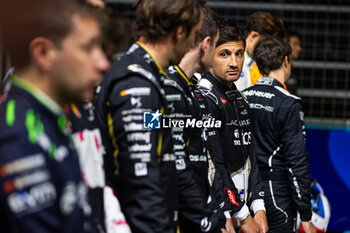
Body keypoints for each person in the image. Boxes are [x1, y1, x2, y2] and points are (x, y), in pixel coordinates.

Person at [94, 0, 204, 232]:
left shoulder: (149, 74)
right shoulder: (137, 82)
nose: (193, 46)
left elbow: (155, 144)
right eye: (194, 36)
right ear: (180, 31)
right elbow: (140, 175)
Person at [0, 0, 109, 232]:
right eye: (88, 48)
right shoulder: (18, 135)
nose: (102, 63)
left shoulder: (49, 116)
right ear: (44, 53)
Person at [197, 21, 267, 233]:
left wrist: (259, 206)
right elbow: (214, 165)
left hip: (243, 206)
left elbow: (250, 155)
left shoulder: (239, 98)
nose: (234, 62)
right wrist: (238, 215)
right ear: (210, 56)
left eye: (239, 54)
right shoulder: (204, 97)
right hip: (221, 211)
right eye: (224, 54)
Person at [242, 36, 316, 233]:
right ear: (286, 61)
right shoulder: (289, 103)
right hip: (277, 194)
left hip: (245, 191)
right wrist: (306, 215)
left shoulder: (242, 97)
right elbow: (296, 161)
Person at [163, 8, 227, 233]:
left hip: (196, 206)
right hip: (177, 215)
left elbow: (200, 159)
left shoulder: (190, 88)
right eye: (218, 46)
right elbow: (175, 163)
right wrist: (206, 221)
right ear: (206, 44)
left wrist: (217, 212)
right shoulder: (168, 86)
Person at [235, 12, 287, 91]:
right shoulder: (234, 61)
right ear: (254, 36)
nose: (270, 50)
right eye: (268, 44)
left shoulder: (254, 63)